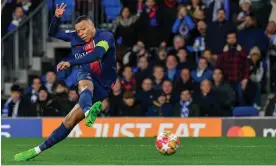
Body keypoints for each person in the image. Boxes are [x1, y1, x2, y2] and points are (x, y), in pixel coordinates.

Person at [14, 3, 117, 161]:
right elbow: (52, 32)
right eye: (78, 30)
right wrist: (56, 18)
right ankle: (35, 151)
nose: (81, 33)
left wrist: (70, 62)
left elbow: (97, 54)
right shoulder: (74, 36)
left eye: (83, 29)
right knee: (72, 114)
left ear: (92, 25)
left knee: (80, 100)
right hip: (86, 73)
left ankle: (90, 110)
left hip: (104, 82)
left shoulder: (105, 37)